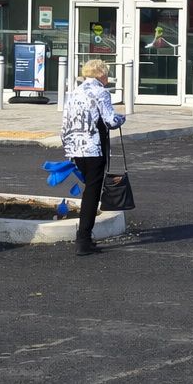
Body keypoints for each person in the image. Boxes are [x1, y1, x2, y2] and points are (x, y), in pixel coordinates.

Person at [60, 59, 125, 256]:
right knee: (92, 193)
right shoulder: (101, 92)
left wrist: (68, 146)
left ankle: (85, 237)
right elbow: (110, 121)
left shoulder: (74, 92)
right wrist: (122, 118)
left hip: (75, 148)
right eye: (107, 74)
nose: (108, 78)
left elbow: (65, 122)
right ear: (101, 74)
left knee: (89, 187)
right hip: (94, 148)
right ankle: (83, 240)